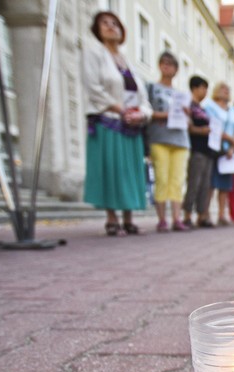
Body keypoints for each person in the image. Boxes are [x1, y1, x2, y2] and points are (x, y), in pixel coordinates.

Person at [83, 11, 152, 236]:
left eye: (115, 23)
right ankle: (112, 218)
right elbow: (93, 88)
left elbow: (143, 99)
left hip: (132, 125)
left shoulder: (129, 63)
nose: (111, 26)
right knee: (111, 169)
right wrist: (120, 109)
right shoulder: (94, 54)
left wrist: (141, 114)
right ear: (97, 29)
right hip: (108, 121)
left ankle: (128, 218)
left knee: (129, 172)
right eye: (104, 23)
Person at [147, 51, 189, 232]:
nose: (167, 66)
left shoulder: (181, 95)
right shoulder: (151, 88)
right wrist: (166, 115)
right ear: (159, 65)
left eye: (171, 64)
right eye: (163, 62)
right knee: (161, 178)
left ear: (176, 70)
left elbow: (189, 122)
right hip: (159, 138)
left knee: (177, 180)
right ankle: (162, 219)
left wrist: (187, 115)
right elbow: (146, 112)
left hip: (180, 140)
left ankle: (177, 218)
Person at [204, 82, 234, 227]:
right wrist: (230, 139)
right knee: (210, 183)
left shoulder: (233, 110)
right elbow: (212, 126)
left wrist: (232, 147)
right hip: (213, 147)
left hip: (227, 151)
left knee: (225, 185)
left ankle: (221, 215)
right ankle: (205, 214)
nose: (226, 91)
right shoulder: (210, 106)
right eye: (223, 88)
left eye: (228, 89)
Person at [182, 75, 214, 228]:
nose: (205, 91)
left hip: (208, 151)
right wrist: (201, 130)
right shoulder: (188, 106)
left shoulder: (203, 109)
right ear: (194, 88)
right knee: (193, 183)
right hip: (196, 150)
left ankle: (202, 215)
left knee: (205, 185)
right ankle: (187, 215)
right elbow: (187, 127)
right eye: (203, 88)